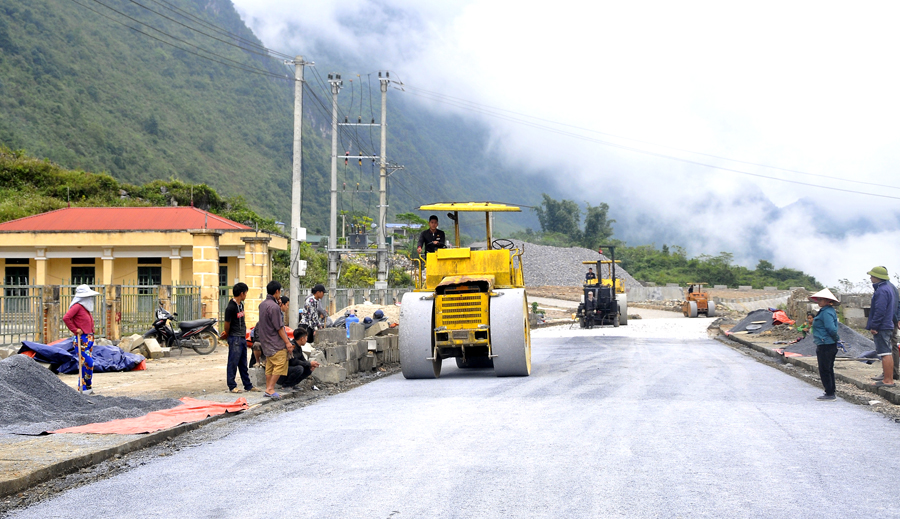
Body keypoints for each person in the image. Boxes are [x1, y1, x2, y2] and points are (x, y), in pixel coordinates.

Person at [257, 281, 293, 399]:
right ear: (277, 291)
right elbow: (279, 327)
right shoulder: (274, 307)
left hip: (265, 339)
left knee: (270, 365)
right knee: (280, 363)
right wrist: (287, 342)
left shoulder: (263, 305)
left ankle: (268, 388)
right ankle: (270, 388)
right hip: (275, 341)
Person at [62, 285, 100, 395]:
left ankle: (87, 386)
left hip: (89, 338)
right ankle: (82, 386)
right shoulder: (77, 306)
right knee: (87, 362)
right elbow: (66, 318)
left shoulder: (86, 309)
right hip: (81, 339)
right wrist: (75, 330)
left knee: (88, 363)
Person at [222, 283, 259, 394]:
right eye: (245, 293)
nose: (246, 295)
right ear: (242, 293)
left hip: (242, 337)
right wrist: (227, 334)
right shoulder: (231, 307)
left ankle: (248, 385)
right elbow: (227, 324)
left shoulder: (240, 305)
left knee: (243, 363)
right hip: (235, 338)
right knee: (233, 362)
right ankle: (232, 385)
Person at [866, 266, 896, 387]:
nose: (870, 278)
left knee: (884, 353)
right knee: (887, 352)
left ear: (877, 277)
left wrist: (875, 326)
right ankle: (889, 378)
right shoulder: (888, 288)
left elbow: (880, 310)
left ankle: (888, 380)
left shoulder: (882, 290)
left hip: (882, 326)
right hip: (887, 324)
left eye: (872, 276)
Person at [810, 288, 841, 401]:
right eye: (818, 299)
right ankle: (830, 391)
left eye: (821, 299)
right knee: (828, 368)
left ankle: (830, 393)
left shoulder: (826, 312)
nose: (818, 301)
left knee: (825, 369)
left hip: (826, 344)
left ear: (827, 301)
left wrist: (836, 338)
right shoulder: (826, 311)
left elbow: (831, 329)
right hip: (826, 343)